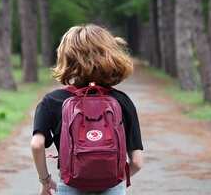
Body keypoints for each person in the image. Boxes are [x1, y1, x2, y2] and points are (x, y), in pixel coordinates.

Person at [31, 24, 144, 195]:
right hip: (113, 188)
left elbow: (37, 145)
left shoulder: (52, 101)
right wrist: (114, 180)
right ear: (110, 56)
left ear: (66, 58)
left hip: (70, 186)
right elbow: (136, 162)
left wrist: (45, 181)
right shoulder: (122, 101)